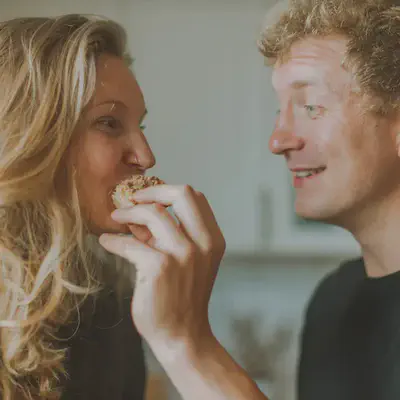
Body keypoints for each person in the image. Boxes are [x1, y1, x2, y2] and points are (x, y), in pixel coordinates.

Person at [99, 0, 400, 400]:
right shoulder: (334, 301)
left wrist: (186, 343)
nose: (278, 141)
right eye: (280, 110)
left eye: (311, 106)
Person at [0, 15, 151, 399]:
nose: (146, 156)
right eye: (109, 123)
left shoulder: (110, 301)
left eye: (141, 127)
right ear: (34, 135)